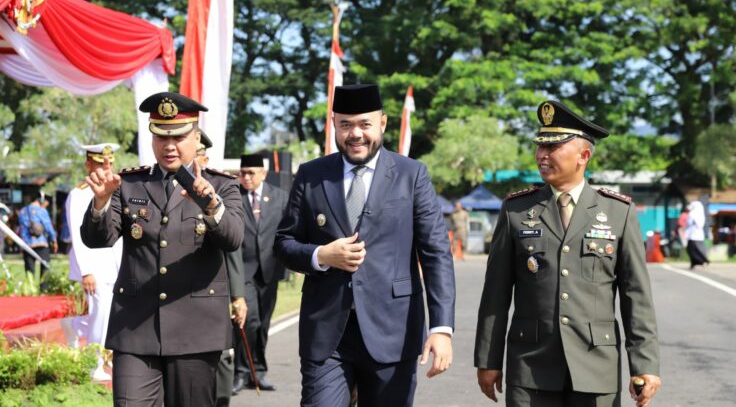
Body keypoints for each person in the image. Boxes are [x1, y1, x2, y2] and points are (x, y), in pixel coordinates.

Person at [275, 84, 456, 407]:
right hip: (327, 335)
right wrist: (320, 255)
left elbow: (436, 254)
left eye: (364, 124)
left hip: (393, 331)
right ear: (334, 125)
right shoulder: (311, 175)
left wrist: (442, 328)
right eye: (345, 125)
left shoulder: (411, 175)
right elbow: (283, 243)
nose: (355, 134)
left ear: (382, 123)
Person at [474, 100, 661, 407]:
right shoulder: (517, 210)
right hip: (530, 368)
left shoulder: (617, 212)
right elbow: (495, 293)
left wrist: (645, 365)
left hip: (595, 365)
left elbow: (636, 296)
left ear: (583, 156)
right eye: (540, 147)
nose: (542, 156)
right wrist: (487, 359)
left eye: (553, 148)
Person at [80, 92, 245, 407]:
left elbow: (233, 239)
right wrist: (100, 204)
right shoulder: (129, 184)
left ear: (196, 138)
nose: (169, 145)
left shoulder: (222, 186)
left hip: (196, 329)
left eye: (179, 137)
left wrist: (211, 206)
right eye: (160, 137)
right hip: (135, 327)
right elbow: (98, 239)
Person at [194, 131, 249, 407]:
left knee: (221, 353)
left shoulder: (219, 187)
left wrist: (237, 295)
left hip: (216, 287)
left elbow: (232, 249)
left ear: (204, 157)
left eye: (197, 154)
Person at [62, 143, 124, 382]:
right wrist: (86, 271)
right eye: (100, 163)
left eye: (109, 162)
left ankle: (76, 330)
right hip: (95, 266)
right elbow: (78, 236)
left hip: (115, 263)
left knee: (107, 313)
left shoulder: (118, 188)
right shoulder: (79, 194)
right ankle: (94, 363)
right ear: (89, 164)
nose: (106, 167)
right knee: (99, 313)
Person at [232, 153, 289, 394]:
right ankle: (240, 372)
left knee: (263, 324)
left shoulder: (279, 197)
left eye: (251, 173)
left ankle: (259, 371)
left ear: (263, 174)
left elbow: (286, 232)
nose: (246, 177)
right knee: (248, 322)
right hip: (243, 271)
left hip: (270, 270)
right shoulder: (233, 196)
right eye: (243, 173)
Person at [18, 192, 57, 292]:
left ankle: (30, 289)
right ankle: (43, 289)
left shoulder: (22, 211)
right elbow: (48, 226)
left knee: (29, 269)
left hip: (27, 244)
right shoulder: (41, 211)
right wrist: (54, 239)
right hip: (41, 242)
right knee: (45, 266)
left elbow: (21, 228)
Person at [685, 200, 709, 269]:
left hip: (696, 235)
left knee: (695, 250)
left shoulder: (695, 214)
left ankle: (703, 261)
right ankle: (694, 263)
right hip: (692, 235)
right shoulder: (693, 214)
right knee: (691, 249)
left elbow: (699, 224)